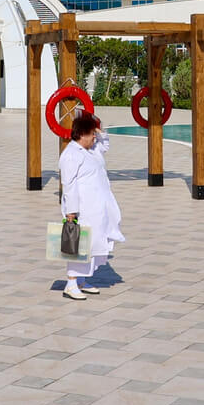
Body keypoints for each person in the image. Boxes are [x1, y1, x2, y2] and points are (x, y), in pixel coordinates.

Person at [58, 111, 124, 300]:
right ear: (81, 134)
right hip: (83, 207)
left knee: (94, 243)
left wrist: (98, 129)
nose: (94, 137)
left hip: (98, 206)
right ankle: (71, 283)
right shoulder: (71, 154)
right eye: (91, 133)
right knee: (79, 244)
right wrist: (71, 211)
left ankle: (82, 280)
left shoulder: (91, 150)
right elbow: (68, 184)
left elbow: (105, 144)